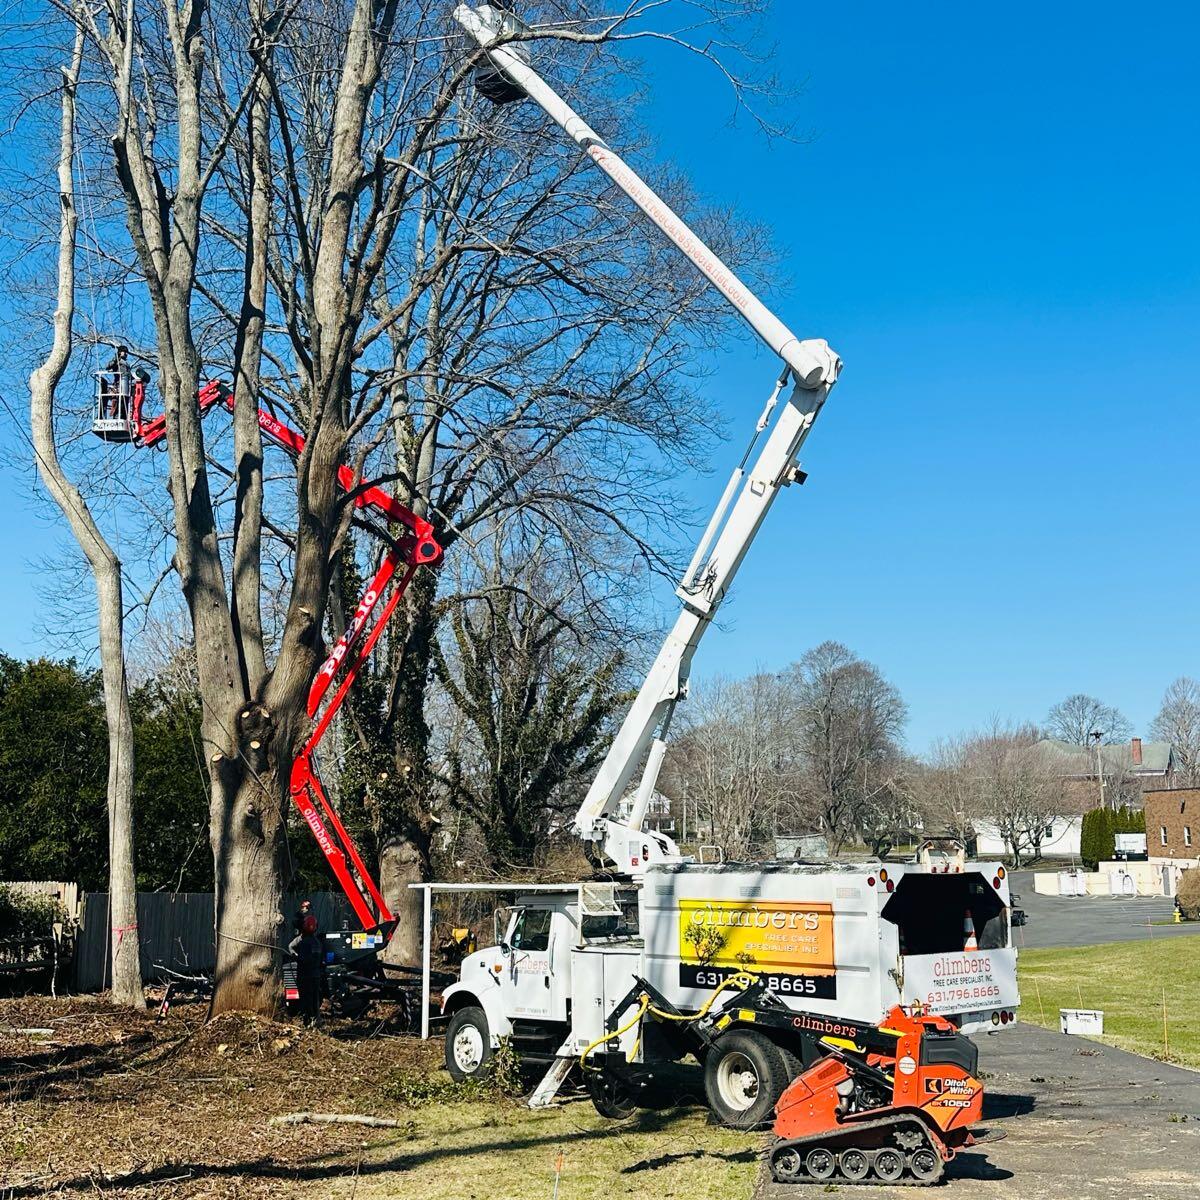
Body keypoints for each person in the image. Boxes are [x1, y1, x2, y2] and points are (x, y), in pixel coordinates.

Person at [288, 912, 324, 1026]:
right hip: (315, 975)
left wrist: (295, 956)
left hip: (305, 975)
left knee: (306, 999)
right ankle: (315, 1019)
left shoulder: (304, 942)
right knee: (314, 999)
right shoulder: (317, 942)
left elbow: (303, 959)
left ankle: (307, 1021)